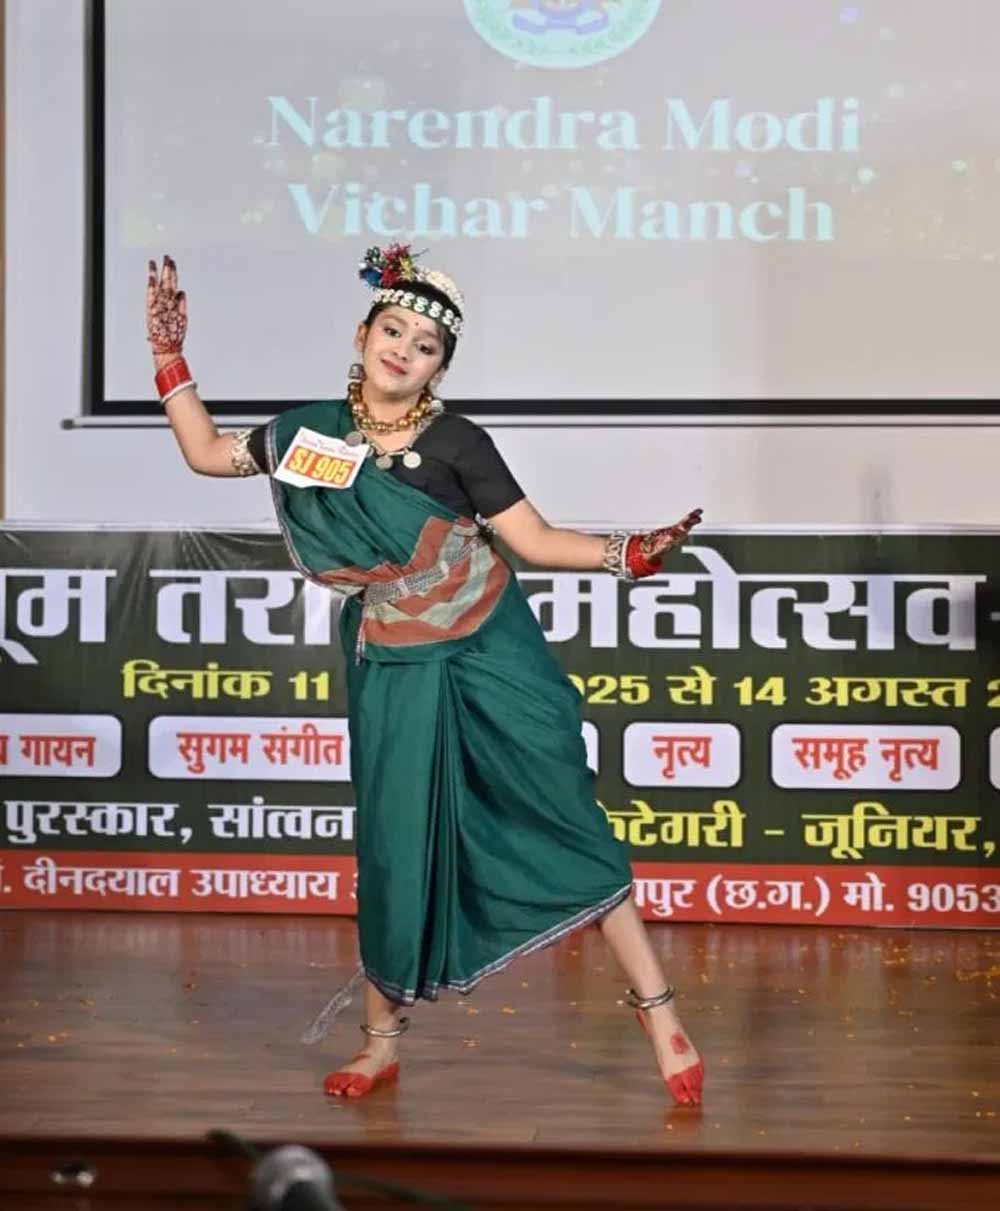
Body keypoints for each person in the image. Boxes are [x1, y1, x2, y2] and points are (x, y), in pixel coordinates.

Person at [146, 246, 705, 1107]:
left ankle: (660, 1012)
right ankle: (380, 1044)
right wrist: (168, 357)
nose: (404, 349)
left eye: (426, 344)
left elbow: (534, 541)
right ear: (362, 334)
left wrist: (626, 553)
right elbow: (209, 453)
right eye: (394, 330)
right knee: (396, 838)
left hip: (489, 651)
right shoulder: (308, 436)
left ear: (441, 366)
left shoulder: (457, 443)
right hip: (395, 662)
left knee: (562, 813)